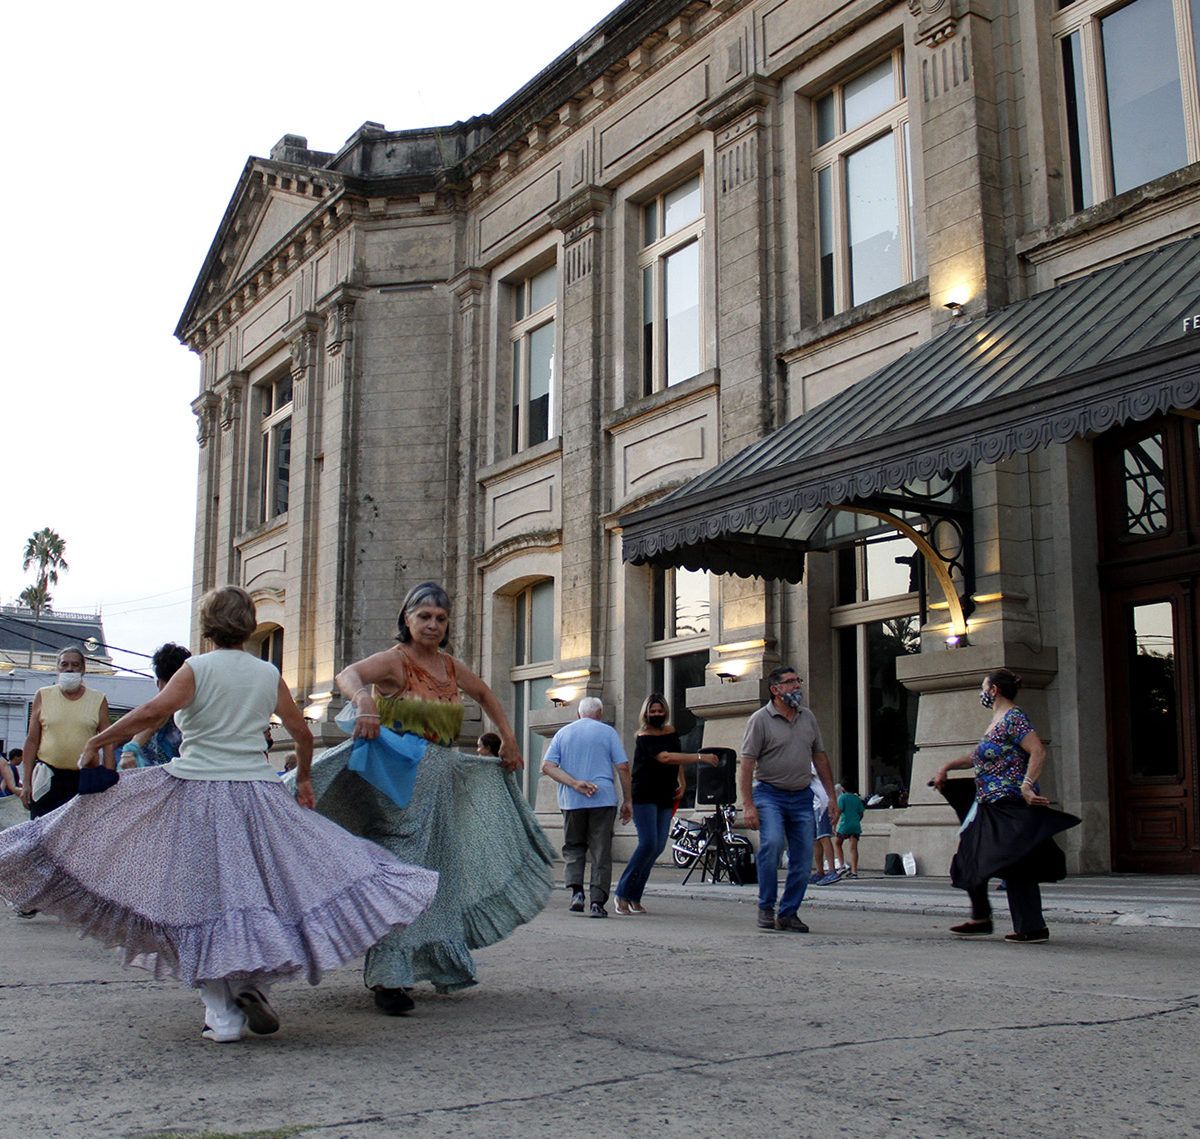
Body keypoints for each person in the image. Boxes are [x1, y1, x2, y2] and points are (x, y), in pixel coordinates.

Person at [0, 585, 438, 1043]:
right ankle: (250, 983)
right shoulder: (267, 674)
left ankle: (222, 1016)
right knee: (256, 891)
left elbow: (153, 710)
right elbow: (301, 736)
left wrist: (96, 741)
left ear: (208, 626)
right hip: (258, 796)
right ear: (249, 626)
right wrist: (304, 780)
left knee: (201, 899)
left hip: (196, 793)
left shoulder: (196, 669)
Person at [316, 581, 555, 1015]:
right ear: (406, 619)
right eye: (424, 616)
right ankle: (388, 975)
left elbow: (484, 694)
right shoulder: (395, 661)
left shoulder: (448, 665)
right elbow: (347, 675)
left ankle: (413, 965)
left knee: (433, 875)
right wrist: (364, 700)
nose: (432, 624)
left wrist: (510, 739)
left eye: (440, 618)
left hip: (442, 777)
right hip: (399, 784)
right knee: (404, 872)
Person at [933, 669, 1079, 944]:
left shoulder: (1014, 717)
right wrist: (946, 767)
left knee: (1011, 862)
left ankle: (1027, 926)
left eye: (983, 687)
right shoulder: (996, 722)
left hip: (1009, 803)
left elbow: (1038, 750)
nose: (982, 692)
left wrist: (1026, 785)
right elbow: (977, 758)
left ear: (994, 690)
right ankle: (988, 919)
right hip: (989, 802)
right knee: (973, 856)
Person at [738, 666, 838, 933]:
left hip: (802, 794)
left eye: (798, 681)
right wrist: (748, 805)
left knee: (804, 857)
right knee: (771, 844)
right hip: (769, 793)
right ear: (775, 689)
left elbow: (820, 758)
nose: (797, 686)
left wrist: (832, 797)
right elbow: (746, 764)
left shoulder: (808, 718)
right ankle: (766, 906)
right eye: (790, 682)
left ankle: (789, 913)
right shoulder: (760, 720)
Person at [612, 693, 718, 915]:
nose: (657, 714)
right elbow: (666, 758)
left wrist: (681, 780)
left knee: (658, 846)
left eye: (660, 711)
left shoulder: (670, 731)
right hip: (644, 794)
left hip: (665, 794)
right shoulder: (643, 735)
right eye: (653, 711)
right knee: (648, 843)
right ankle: (622, 892)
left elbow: (675, 757)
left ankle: (635, 896)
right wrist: (701, 758)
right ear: (646, 714)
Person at [541, 696, 632, 918]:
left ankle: (576, 893)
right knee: (601, 851)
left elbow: (547, 766)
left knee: (573, 846)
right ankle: (597, 903)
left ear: (578, 714)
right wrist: (628, 800)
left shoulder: (563, 733)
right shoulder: (608, 732)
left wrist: (574, 783)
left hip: (572, 801)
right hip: (603, 799)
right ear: (600, 714)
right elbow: (623, 767)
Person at [19, 647, 111, 820]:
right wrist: (26, 782)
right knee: (42, 837)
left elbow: (108, 742)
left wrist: (108, 777)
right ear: (58, 668)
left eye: (75, 665)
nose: (69, 669)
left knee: (78, 837)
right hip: (47, 777)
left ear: (83, 669)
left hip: (83, 779)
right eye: (64, 664)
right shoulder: (43, 695)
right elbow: (32, 740)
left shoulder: (98, 699)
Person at [119, 643, 191, 769]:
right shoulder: (203, 710)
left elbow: (153, 721)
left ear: (159, 683)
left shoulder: (158, 711)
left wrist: (129, 751)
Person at [834, 782, 864, 878]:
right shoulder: (857, 799)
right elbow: (861, 813)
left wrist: (834, 826)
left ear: (843, 788)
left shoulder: (842, 798)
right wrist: (856, 820)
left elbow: (838, 812)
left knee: (838, 843)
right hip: (855, 826)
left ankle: (842, 865)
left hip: (845, 825)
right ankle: (854, 871)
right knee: (853, 848)